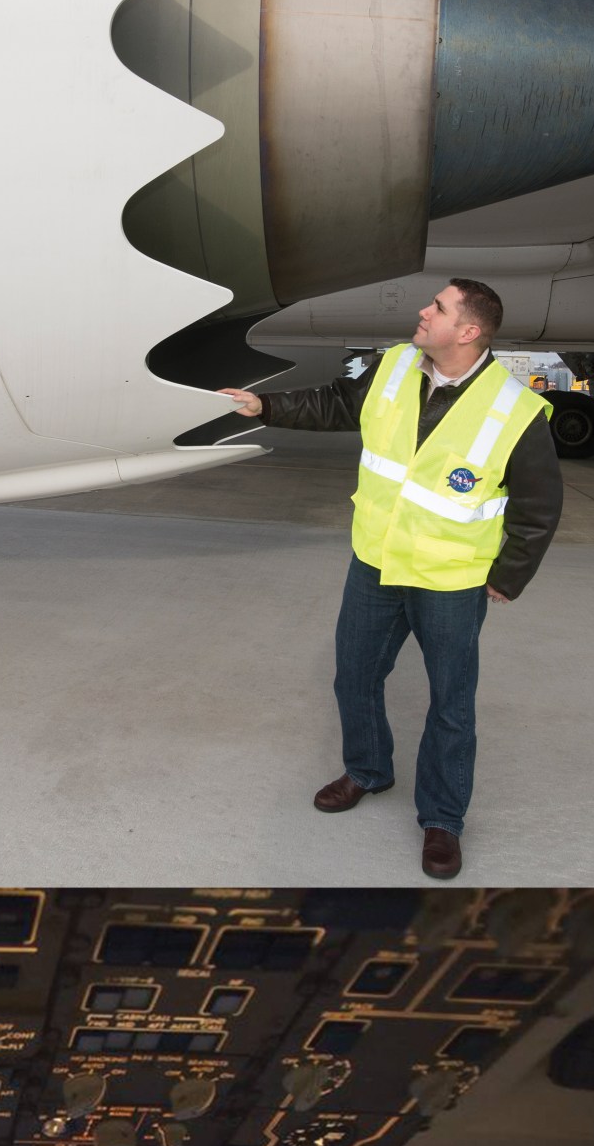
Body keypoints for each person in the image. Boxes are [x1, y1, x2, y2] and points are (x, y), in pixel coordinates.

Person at [220, 278, 562, 880]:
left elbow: (539, 506)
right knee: (354, 675)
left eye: (439, 307)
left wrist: (509, 576)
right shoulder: (396, 364)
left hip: (450, 580)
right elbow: (335, 403)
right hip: (375, 561)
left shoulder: (517, 411)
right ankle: (369, 771)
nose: (423, 311)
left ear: (469, 331)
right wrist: (266, 406)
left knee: (451, 704)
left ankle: (442, 820)